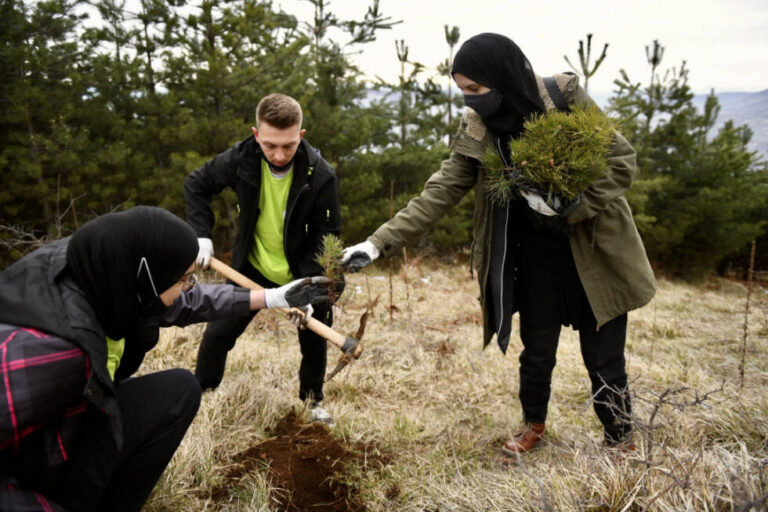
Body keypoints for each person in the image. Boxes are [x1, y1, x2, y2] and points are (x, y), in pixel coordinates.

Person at [341, 33, 656, 454]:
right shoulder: (478, 128)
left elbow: (620, 160)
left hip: (593, 250)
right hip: (534, 256)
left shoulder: (563, 98)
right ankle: (533, 425)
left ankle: (619, 435)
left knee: (603, 355)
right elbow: (439, 192)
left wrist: (569, 206)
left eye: (475, 89)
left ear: (502, 75)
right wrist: (377, 244)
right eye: (461, 92)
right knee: (537, 349)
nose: (469, 101)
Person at [0, 206, 330, 511]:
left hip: (67, 426)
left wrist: (272, 297)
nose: (189, 287)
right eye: (184, 278)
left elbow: (184, 300)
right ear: (146, 278)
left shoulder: (102, 269)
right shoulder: (52, 353)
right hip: (28, 468)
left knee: (178, 390)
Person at [185, 93, 342, 424]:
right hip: (252, 270)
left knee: (315, 340)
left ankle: (312, 402)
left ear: (300, 135)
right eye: (270, 145)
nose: (280, 154)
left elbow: (327, 237)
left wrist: (312, 290)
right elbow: (197, 184)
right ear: (257, 135)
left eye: (288, 145)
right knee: (217, 335)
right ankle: (201, 395)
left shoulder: (321, 175)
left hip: (302, 273)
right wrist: (202, 234)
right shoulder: (242, 159)